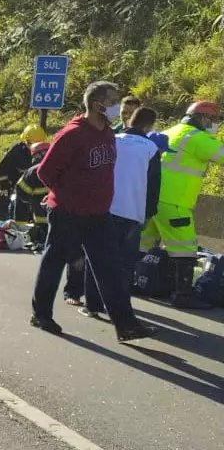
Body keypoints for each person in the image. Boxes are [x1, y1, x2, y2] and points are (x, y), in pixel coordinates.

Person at [29, 81, 158, 342]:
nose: (116, 106)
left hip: (99, 214)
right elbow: (45, 172)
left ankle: (126, 325)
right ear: (98, 104)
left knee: (109, 268)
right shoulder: (72, 134)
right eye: (112, 101)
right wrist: (68, 195)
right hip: (68, 212)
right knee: (54, 262)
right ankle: (41, 314)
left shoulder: (108, 132)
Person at [77, 106, 161, 318]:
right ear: (150, 125)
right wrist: (148, 213)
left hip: (105, 207)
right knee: (125, 264)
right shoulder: (151, 148)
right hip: (133, 212)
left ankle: (93, 305)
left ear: (130, 120)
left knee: (97, 258)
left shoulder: (112, 139)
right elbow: (153, 187)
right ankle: (120, 308)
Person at [140, 101, 224, 308]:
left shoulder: (171, 131)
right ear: (203, 118)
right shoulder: (197, 138)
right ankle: (182, 296)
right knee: (186, 249)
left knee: (143, 244)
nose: (215, 125)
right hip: (174, 202)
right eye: (214, 120)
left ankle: (137, 283)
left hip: (150, 198)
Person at [0, 124, 48, 220]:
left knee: (24, 211)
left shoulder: (40, 153)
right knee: (3, 207)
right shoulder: (17, 150)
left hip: (26, 186)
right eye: (32, 144)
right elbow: (2, 168)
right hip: (9, 184)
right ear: (26, 141)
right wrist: (4, 187)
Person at [12, 142, 51, 244]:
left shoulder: (32, 172)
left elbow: (21, 192)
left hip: (40, 217)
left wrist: (32, 200)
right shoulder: (62, 167)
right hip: (60, 216)